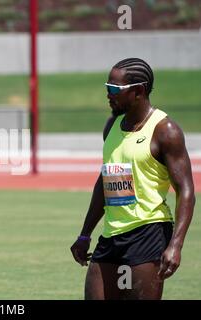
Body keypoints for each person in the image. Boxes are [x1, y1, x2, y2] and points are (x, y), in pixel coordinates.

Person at [70, 58, 195, 300]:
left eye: (114, 89)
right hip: (111, 235)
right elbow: (105, 182)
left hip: (148, 233)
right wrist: (85, 234)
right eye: (107, 87)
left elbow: (186, 191)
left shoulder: (165, 131)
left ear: (138, 91)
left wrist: (176, 245)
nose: (108, 94)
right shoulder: (112, 125)